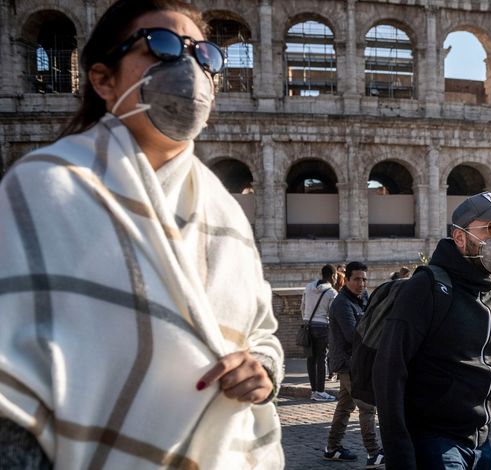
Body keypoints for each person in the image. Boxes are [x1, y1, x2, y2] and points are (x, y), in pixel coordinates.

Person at [0, 1, 284, 468]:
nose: (189, 68)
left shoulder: (227, 215)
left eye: (204, 55)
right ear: (103, 79)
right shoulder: (45, 188)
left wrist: (264, 370)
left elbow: (262, 333)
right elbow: (12, 391)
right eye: (163, 46)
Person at [374, 191, 491, 470]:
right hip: (435, 443)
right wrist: (400, 456)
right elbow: (388, 372)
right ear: (460, 237)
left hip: (482, 446)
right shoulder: (425, 288)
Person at [324, 262, 384, 468]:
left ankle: (332, 449)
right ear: (347, 280)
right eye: (357, 279)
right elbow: (353, 336)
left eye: (365, 279)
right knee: (367, 406)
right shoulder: (341, 304)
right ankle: (373, 453)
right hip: (347, 363)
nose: (362, 284)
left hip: (359, 361)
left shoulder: (363, 298)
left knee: (344, 406)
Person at [301, 264, 338, 402]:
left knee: (311, 359)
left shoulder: (308, 287)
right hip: (322, 327)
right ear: (333, 276)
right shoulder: (332, 293)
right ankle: (321, 391)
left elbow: (302, 306)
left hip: (308, 325)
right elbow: (332, 314)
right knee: (321, 359)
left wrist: (307, 320)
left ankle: (313, 391)